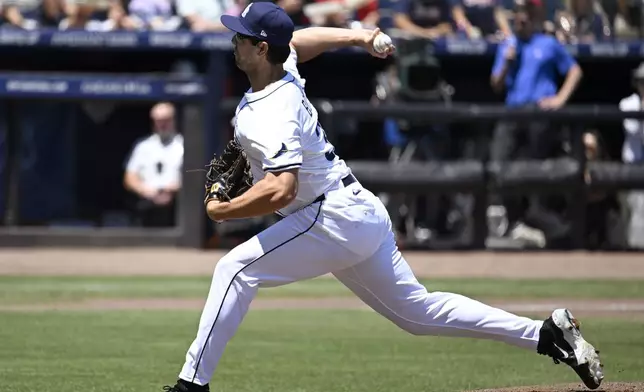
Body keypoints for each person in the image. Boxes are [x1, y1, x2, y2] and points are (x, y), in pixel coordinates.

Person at [162, 3, 603, 391]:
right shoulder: (282, 67)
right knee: (418, 314)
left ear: (261, 49)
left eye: (241, 36)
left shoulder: (271, 111)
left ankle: (191, 384)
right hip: (356, 211)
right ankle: (546, 335)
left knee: (234, 269)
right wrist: (360, 35)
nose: (233, 41)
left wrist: (224, 210)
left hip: (328, 216)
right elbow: (300, 41)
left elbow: (282, 188)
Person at [489, 0, 583, 248]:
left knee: (535, 169)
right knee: (498, 164)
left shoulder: (548, 43)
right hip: (512, 111)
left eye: (526, 15)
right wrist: (508, 61)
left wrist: (560, 99)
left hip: (540, 116)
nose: (522, 19)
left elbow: (575, 71)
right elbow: (495, 84)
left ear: (534, 17)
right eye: (518, 15)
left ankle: (543, 224)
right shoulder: (508, 46)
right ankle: (515, 221)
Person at [124, 102, 183, 227]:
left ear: (174, 120)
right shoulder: (143, 146)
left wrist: (175, 188)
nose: (162, 124)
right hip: (147, 202)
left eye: (166, 120)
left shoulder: (184, 145)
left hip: (176, 205)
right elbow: (129, 178)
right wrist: (145, 190)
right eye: (158, 120)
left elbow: (196, 177)